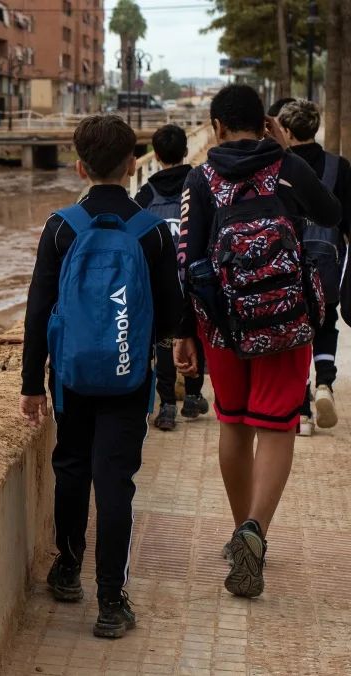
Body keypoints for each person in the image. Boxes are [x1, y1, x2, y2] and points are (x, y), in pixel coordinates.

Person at [174, 85, 342, 599]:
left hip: (223, 326)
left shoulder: (200, 178)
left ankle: (238, 532)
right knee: (276, 426)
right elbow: (330, 214)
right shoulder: (286, 166)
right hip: (286, 320)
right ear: (266, 123)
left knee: (233, 422)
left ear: (216, 126)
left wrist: (184, 332)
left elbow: (187, 259)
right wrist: (288, 153)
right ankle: (257, 530)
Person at [20, 115, 183, 639]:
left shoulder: (60, 227)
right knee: (115, 482)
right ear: (134, 164)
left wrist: (30, 384)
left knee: (71, 468)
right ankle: (112, 602)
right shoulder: (152, 232)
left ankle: (67, 569)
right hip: (128, 377)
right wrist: (170, 354)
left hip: (70, 377)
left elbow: (38, 310)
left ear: (79, 167)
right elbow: (170, 315)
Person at [275, 99, 350, 435]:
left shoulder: (279, 166)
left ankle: (302, 412)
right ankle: (325, 384)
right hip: (327, 263)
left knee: (294, 332)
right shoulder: (339, 167)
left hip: (287, 264)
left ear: (287, 131)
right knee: (326, 323)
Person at [135, 124, 210, 431]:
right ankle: (192, 396)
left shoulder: (145, 193)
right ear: (185, 151)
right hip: (195, 277)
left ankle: (166, 405)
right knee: (195, 333)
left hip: (159, 282)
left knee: (165, 340)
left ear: (156, 154)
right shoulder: (200, 185)